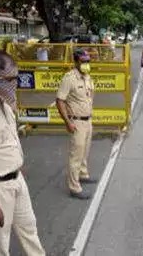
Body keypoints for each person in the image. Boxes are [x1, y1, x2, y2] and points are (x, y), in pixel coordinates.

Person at [0, 51, 45, 256]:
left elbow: (7, 137)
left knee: (29, 229)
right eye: (8, 78)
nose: (13, 83)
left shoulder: (2, 96)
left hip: (16, 180)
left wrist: (16, 163)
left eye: (14, 78)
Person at [56, 49, 97, 200]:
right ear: (76, 62)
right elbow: (60, 100)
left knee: (85, 151)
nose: (86, 64)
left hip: (88, 120)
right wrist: (68, 122)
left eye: (88, 61)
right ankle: (74, 187)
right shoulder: (69, 78)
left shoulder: (87, 77)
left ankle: (83, 174)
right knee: (76, 155)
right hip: (77, 122)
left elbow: (88, 97)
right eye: (83, 61)